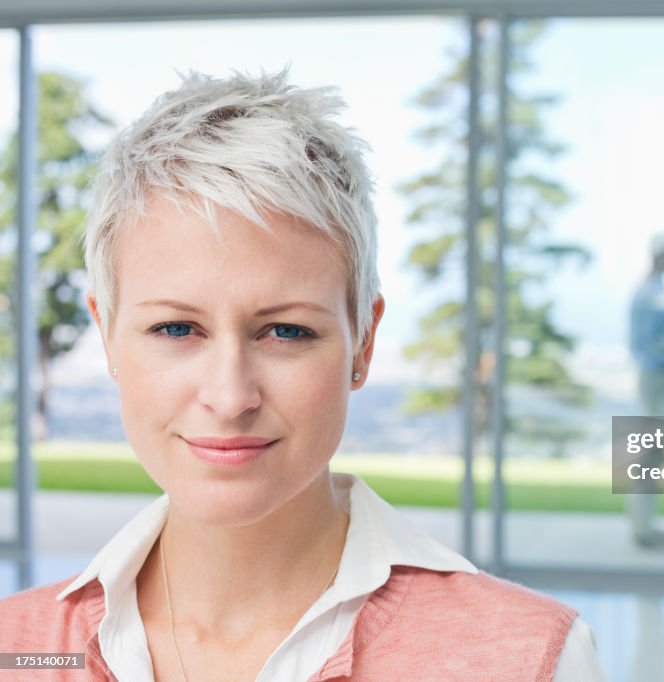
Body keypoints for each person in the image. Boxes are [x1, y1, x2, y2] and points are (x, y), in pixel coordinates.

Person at [0, 70, 606, 682]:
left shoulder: (527, 660)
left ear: (363, 343)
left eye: (286, 331)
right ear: (106, 333)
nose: (230, 397)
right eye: (177, 329)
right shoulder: (17, 651)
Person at [627, 232, 664, 550]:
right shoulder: (649, 293)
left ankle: (646, 523)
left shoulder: (658, 290)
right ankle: (642, 527)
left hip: (661, 378)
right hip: (654, 378)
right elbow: (646, 345)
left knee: (656, 453)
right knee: (650, 452)